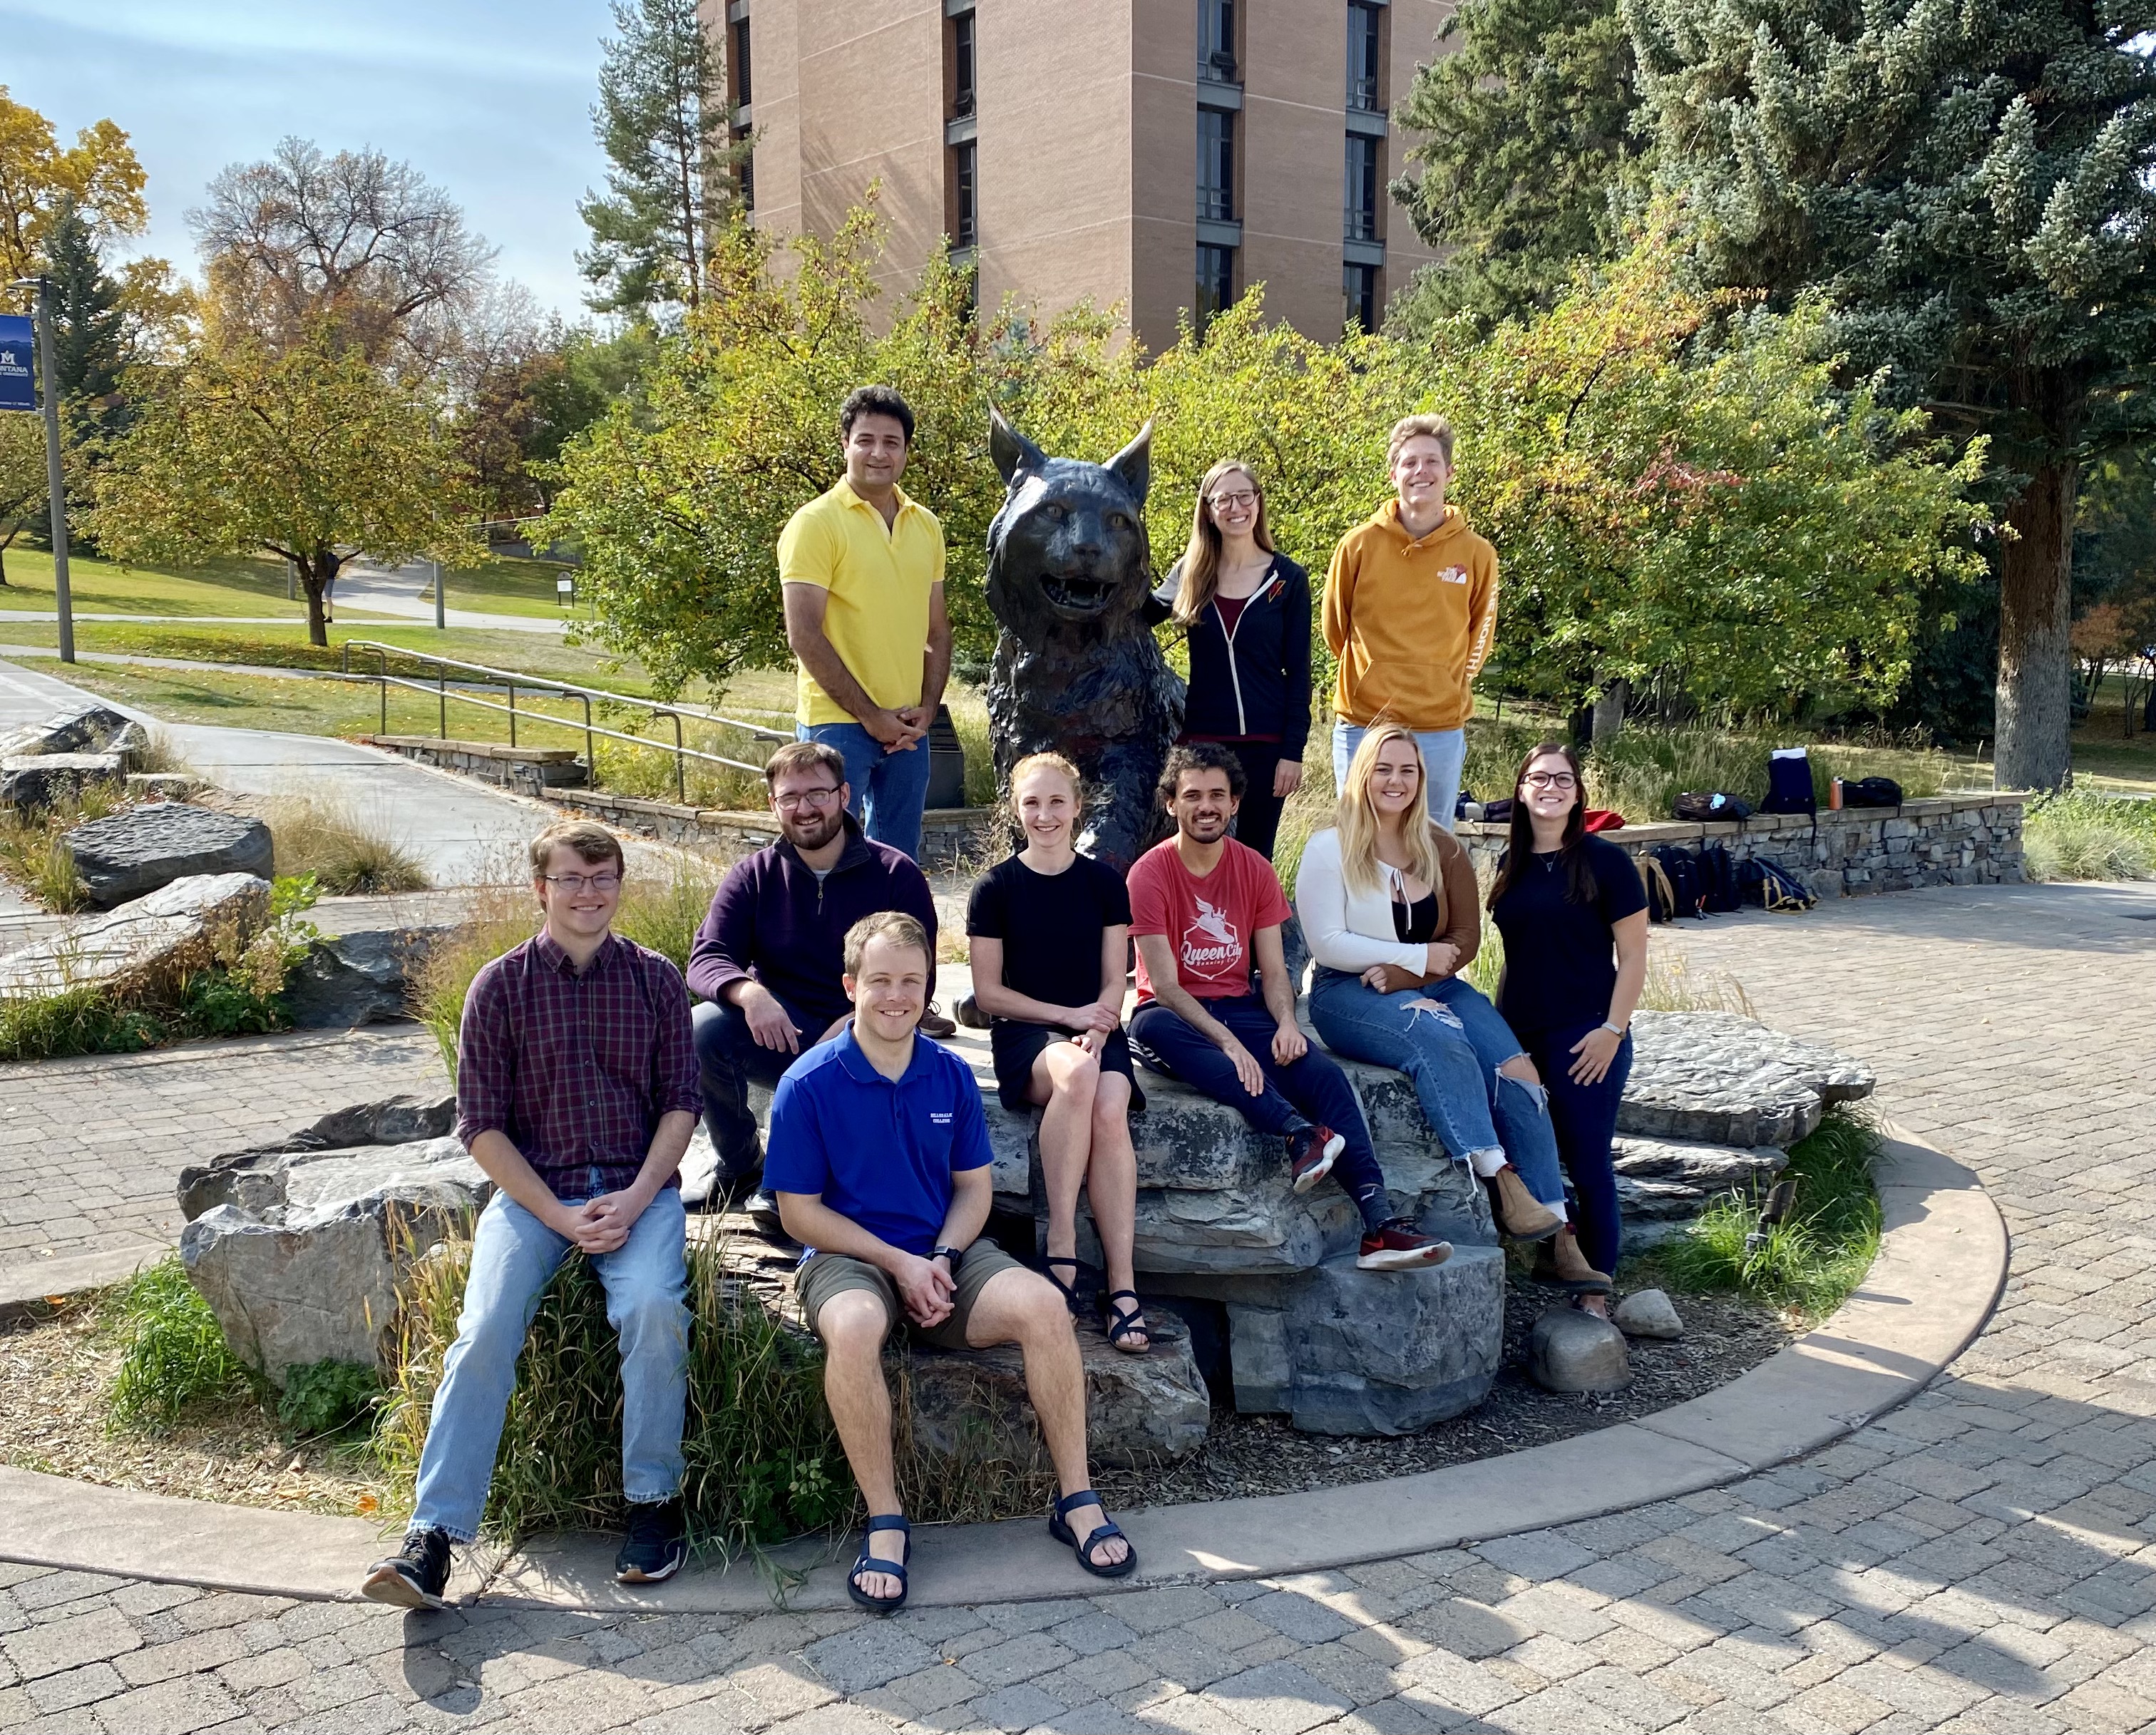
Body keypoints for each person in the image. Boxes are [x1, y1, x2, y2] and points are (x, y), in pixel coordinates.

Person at [362, 822, 700, 1608]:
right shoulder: (500, 987)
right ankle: (432, 1539)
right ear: (540, 887)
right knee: (484, 1328)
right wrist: (556, 1212)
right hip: (532, 1198)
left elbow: (682, 1104)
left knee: (652, 1309)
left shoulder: (655, 980)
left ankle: (653, 1505)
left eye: (604, 876)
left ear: (620, 883)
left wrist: (640, 1196)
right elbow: (480, 1126)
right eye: (573, 877)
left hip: (635, 1189)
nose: (590, 892)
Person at [766, 911, 1136, 1612]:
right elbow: (798, 1214)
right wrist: (900, 1265)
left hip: (945, 1251)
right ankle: (886, 1520)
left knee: (1044, 1307)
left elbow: (974, 1188)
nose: (896, 996)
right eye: (880, 981)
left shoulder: (948, 1075)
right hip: (851, 1255)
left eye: (912, 981)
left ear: (930, 988)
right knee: (850, 1326)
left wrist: (939, 1256)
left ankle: (1077, 1500)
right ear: (850, 986)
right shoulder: (807, 1084)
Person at [1296, 726, 1609, 1290]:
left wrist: (1410, 971)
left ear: (1422, 779)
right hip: (1346, 992)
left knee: (1518, 1069)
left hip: (1434, 983)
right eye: (1384, 768)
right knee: (1439, 1037)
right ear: (1363, 773)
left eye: (1408, 770)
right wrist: (1413, 956)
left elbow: (1465, 938)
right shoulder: (1330, 847)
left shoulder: (1440, 847)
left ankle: (1559, 1236)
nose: (1396, 781)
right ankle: (1500, 1175)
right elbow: (1327, 943)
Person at [1124, 742, 1451, 1271]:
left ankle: (1380, 1223)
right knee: (1160, 1027)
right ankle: (1299, 1131)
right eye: (1192, 796)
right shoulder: (1150, 873)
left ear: (1234, 804)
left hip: (1241, 1005)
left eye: (1217, 795)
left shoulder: (1254, 868)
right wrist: (1230, 1045)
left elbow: (1275, 972)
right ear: (1171, 804)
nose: (1205, 806)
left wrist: (1285, 1024)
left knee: (1322, 1075)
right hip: (1175, 1018)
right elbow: (1164, 986)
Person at [687, 741, 946, 1236]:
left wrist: (854, 1024)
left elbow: (919, 975)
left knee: (834, 1073)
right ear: (773, 804)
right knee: (703, 1028)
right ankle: (744, 1165)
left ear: (845, 794)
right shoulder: (754, 876)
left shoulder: (895, 874)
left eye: (818, 793)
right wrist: (748, 993)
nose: (804, 808)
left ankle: (792, 1188)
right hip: (782, 1030)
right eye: (790, 797)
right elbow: (708, 956)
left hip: (869, 1037)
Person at [966, 753, 1147, 1351]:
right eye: (1032, 803)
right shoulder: (994, 888)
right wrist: (1066, 1019)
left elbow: (1115, 977)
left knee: (1109, 1104)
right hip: (1028, 1032)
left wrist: (1099, 1026)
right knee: (1076, 1076)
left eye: (1056, 802)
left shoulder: (1103, 882)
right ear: (1016, 810)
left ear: (1076, 806)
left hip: (1095, 1030)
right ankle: (1063, 1246)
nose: (1044, 815)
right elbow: (990, 994)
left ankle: (1122, 1285)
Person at [1487, 742, 1649, 1317]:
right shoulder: (1512, 864)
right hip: (1519, 1033)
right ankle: (1551, 1250)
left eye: (1562, 779)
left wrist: (1613, 1029)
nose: (1550, 787)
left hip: (1586, 1036)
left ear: (1578, 792)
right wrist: (1499, 1036)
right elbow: (1517, 953)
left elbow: (1632, 958)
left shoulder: (1607, 863)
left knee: (1587, 1162)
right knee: (1528, 1153)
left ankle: (1595, 1290)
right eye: (1538, 778)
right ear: (1522, 789)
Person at [781, 384, 951, 864]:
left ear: (905, 452)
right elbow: (804, 634)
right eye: (866, 440)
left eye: (891, 442)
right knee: (826, 860)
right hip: (837, 725)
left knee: (898, 863)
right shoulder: (815, 523)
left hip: (907, 730)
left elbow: (936, 631)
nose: (879, 453)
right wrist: (870, 716)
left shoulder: (926, 526)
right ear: (845, 444)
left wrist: (928, 707)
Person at [1322, 414, 1499, 829]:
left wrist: (1446, 683)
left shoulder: (1477, 554)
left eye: (1432, 462)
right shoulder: (1358, 545)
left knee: (1431, 843)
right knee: (1357, 838)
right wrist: (1372, 675)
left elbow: (1481, 634)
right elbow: (1335, 629)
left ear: (1449, 472)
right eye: (1410, 463)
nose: (1421, 472)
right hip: (1362, 722)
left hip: (1439, 726)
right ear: (1394, 474)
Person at [1151, 459, 1310, 861]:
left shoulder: (1288, 579)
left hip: (1267, 745)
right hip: (1204, 742)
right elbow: (1138, 614)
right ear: (1208, 508)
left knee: (1255, 858)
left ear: (1258, 503)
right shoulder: (1191, 572)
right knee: (1199, 853)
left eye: (1245, 496)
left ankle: (1256, 927)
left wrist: (1292, 752)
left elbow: (1300, 674)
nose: (1236, 507)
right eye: (1225, 499)